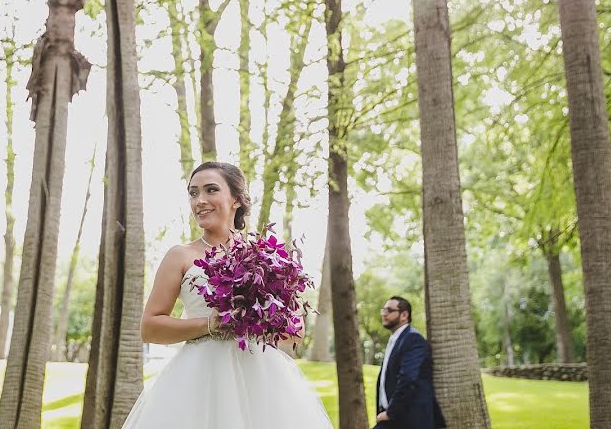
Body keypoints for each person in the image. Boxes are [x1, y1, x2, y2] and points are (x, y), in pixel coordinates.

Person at [121, 161, 333, 429]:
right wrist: (212, 324)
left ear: (236, 199)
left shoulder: (264, 258)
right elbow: (150, 328)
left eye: (211, 190)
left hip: (260, 379)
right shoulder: (181, 256)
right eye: (193, 192)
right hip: (197, 381)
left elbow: (295, 331)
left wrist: (261, 319)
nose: (200, 200)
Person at [373, 296, 445, 429]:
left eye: (389, 310)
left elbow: (408, 379)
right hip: (392, 418)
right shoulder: (395, 339)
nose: (384, 314)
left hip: (409, 419)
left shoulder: (413, 339)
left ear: (404, 315)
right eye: (383, 310)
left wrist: (390, 412)